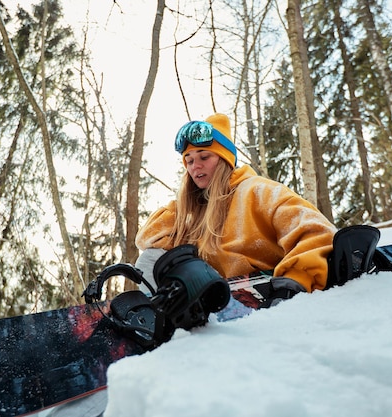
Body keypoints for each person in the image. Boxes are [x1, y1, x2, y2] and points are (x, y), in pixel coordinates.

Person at [135, 113, 336, 302]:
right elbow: (148, 239)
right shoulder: (196, 214)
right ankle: (161, 316)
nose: (195, 166)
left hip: (268, 290)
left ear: (224, 159)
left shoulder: (258, 191)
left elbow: (317, 232)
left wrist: (294, 282)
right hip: (218, 297)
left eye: (204, 157)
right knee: (152, 259)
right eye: (189, 161)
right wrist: (184, 205)